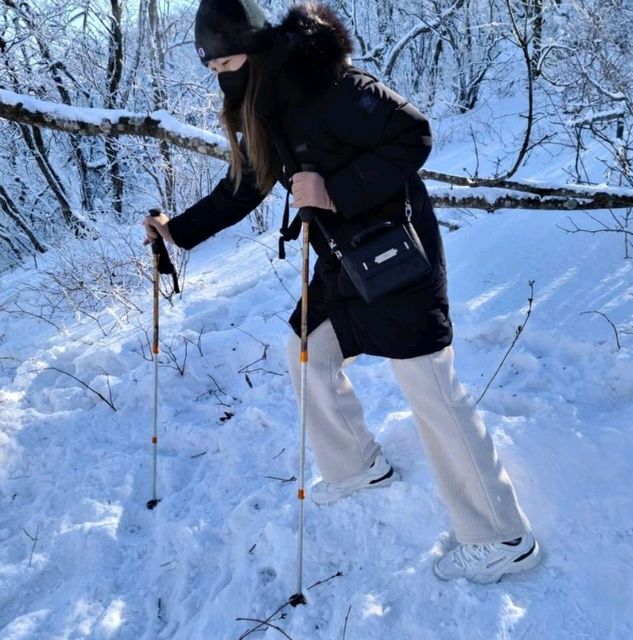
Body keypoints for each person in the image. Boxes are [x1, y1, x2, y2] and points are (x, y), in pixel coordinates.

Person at [143, 0, 541, 584]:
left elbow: (414, 135)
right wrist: (177, 231)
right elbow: (247, 182)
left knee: (430, 387)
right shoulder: (267, 103)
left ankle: (501, 535)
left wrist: (333, 190)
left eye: (225, 62)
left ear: (252, 48)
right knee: (307, 350)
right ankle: (355, 466)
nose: (221, 77)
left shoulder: (329, 84)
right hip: (342, 262)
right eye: (212, 68)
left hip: (395, 253)